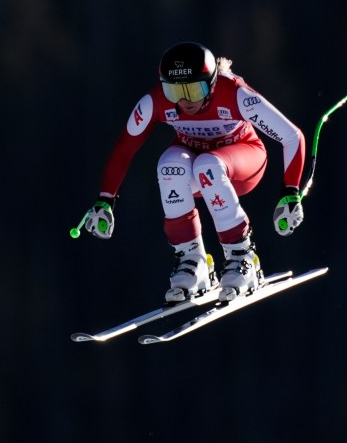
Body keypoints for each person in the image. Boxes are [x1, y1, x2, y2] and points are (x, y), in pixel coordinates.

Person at [84, 41, 306, 302]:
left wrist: (290, 192)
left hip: (244, 161)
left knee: (207, 167)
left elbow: (292, 136)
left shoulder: (234, 93)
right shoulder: (155, 101)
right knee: (168, 165)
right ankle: (193, 261)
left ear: (211, 84)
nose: (185, 100)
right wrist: (105, 200)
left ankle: (242, 257)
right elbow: (125, 147)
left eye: (193, 89)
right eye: (174, 90)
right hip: (198, 164)